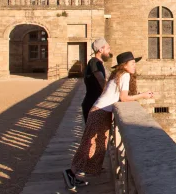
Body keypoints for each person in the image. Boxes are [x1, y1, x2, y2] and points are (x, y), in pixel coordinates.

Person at [63, 52, 154, 190]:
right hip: (99, 112)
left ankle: (80, 173)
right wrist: (143, 95)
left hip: (99, 111)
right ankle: (71, 173)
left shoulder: (118, 75)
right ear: (125, 65)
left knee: (97, 143)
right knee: (89, 144)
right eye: (132, 63)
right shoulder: (125, 75)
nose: (135, 66)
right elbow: (123, 98)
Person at [81, 38, 112, 124]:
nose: (109, 51)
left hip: (94, 103)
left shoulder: (99, 64)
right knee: (91, 136)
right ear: (101, 49)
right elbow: (101, 81)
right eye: (108, 48)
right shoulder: (94, 62)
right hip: (92, 104)